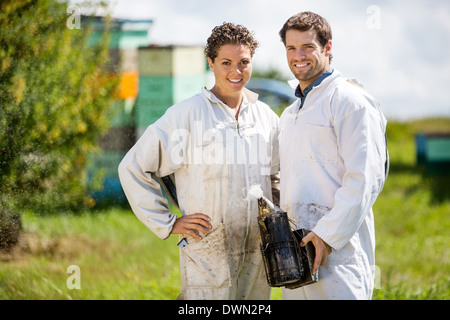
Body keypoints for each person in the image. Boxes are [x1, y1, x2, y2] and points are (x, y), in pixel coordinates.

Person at [118, 22, 280, 300]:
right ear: (211, 63)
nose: (236, 71)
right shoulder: (187, 115)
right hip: (208, 251)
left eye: (244, 62)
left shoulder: (265, 117)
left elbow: (277, 176)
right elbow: (133, 167)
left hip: (256, 250)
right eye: (226, 62)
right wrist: (168, 223)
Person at [278, 11, 389, 299]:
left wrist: (327, 235)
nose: (298, 56)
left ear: (328, 48)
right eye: (291, 48)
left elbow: (365, 179)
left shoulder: (351, 102)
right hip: (297, 258)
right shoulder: (290, 114)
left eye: (308, 47)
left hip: (339, 256)